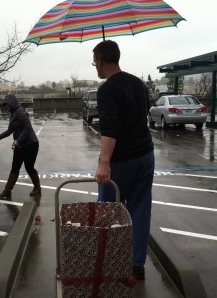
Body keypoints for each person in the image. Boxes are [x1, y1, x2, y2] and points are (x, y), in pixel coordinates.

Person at [92, 40, 155, 280]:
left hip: (121, 161)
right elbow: (144, 112)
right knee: (139, 208)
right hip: (146, 155)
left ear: (100, 60)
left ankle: (107, 262)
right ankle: (136, 265)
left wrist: (103, 162)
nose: (94, 67)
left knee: (108, 210)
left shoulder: (107, 90)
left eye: (94, 62)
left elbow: (109, 128)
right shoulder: (138, 83)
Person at [0, 93, 41, 198]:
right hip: (19, 146)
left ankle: (37, 188)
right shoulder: (13, 114)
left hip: (30, 144)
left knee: (29, 167)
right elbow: (10, 131)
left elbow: (27, 127)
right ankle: (7, 191)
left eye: (7, 105)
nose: (6, 107)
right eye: (4, 105)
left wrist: (19, 140)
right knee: (15, 168)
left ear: (12, 103)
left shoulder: (20, 111)